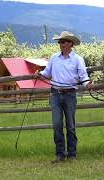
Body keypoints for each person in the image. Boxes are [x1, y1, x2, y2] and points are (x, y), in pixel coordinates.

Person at [37, 31, 93, 163]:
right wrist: (40, 74)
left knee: (71, 125)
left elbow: (83, 77)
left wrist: (88, 84)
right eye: (60, 42)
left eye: (63, 42)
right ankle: (60, 154)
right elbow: (47, 73)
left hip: (70, 94)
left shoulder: (78, 59)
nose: (61, 44)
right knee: (57, 125)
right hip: (55, 94)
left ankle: (72, 154)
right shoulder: (54, 58)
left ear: (70, 43)